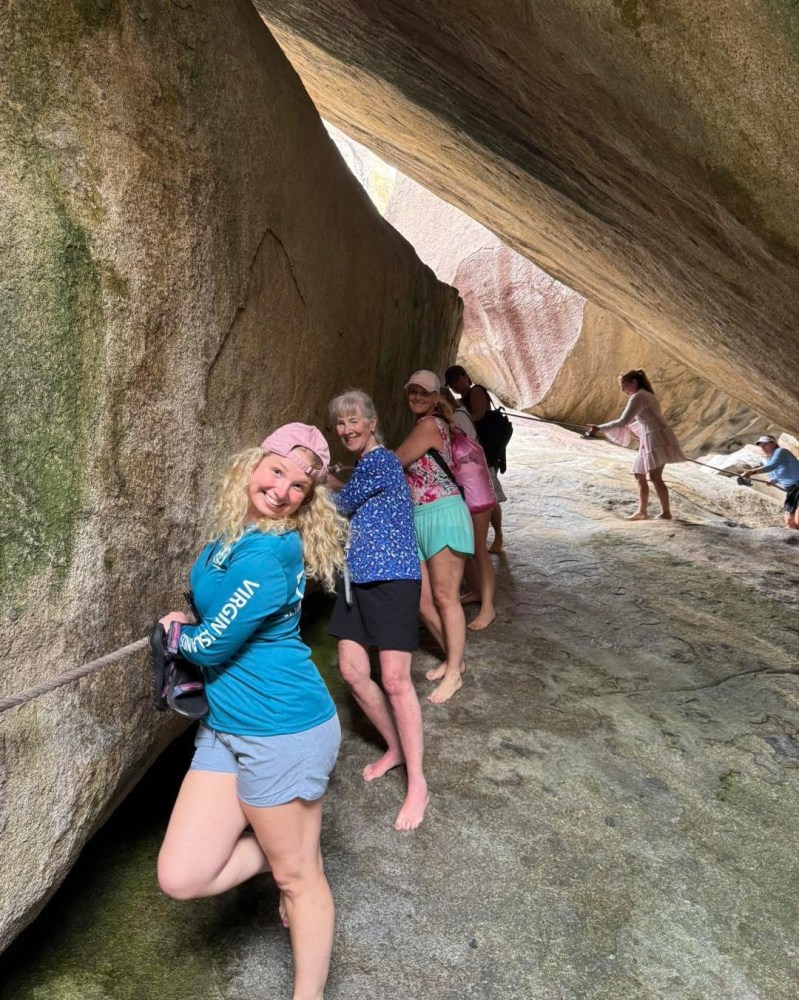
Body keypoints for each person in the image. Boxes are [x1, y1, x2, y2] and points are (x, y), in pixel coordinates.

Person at [156, 423, 348, 1000]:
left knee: (299, 878)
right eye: (278, 469)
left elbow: (212, 645)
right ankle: (284, 851)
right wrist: (189, 618)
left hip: (282, 729)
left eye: (300, 484)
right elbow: (213, 610)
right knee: (182, 875)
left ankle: (307, 992)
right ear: (254, 463)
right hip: (228, 725)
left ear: (307, 500)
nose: (284, 488)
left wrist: (177, 639)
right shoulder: (233, 537)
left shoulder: (271, 551)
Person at [326, 390, 429, 831]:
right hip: (358, 580)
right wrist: (330, 482)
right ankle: (394, 747)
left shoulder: (382, 461)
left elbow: (340, 504)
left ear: (371, 422)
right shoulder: (365, 467)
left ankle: (418, 783)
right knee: (352, 670)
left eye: (354, 421)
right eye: (340, 424)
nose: (347, 429)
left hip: (391, 580)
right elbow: (349, 496)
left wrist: (312, 477)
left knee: (394, 679)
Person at [396, 370, 474, 704]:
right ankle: (454, 659)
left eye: (423, 393)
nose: (416, 397)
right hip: (423, 516)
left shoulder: (429, 426)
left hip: (443, 514)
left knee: (445, 596)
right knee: (425, 598)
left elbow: (393, 463)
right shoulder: (424, 425)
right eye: (412, 391)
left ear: (436, 396)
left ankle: (455, 673)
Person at [587, 368, 686, 521]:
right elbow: (643, 420)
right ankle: (642, 511)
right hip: (652, 436)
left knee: (654, 476)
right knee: (639, 474)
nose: (623, 390)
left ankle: (666, 513)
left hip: (656, 437)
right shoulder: (646, 395)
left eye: (624, 386)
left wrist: (599, 428)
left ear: (634, 382)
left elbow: (623, 422)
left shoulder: (639, 396)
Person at [441, 386, 497, 630]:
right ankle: (476, 591)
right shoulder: (445, 423)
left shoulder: (458, 419)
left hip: (474, 491)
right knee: (465, 548)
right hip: (462, 492)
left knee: (479, 549)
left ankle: (488, 607)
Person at [444, 364, 507, 553]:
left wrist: (457, 419)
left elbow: (478, 415)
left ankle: (497, 536)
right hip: (474, 452)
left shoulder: (476, 392)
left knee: (491, 497)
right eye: (451, 383)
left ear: (465, 376)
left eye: (457, 379)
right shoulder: (463, 398)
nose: (455, 385)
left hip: (482, 451)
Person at [741, 434, 799, 529]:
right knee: (789, 521)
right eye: (761, 445)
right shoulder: (768, 459)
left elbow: (772, 466)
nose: (762, 447)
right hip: (791, 490)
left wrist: (751, 472)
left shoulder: (781, 451)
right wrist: (773, 480)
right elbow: (780, 473)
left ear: (773, 443)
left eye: (765, 444)